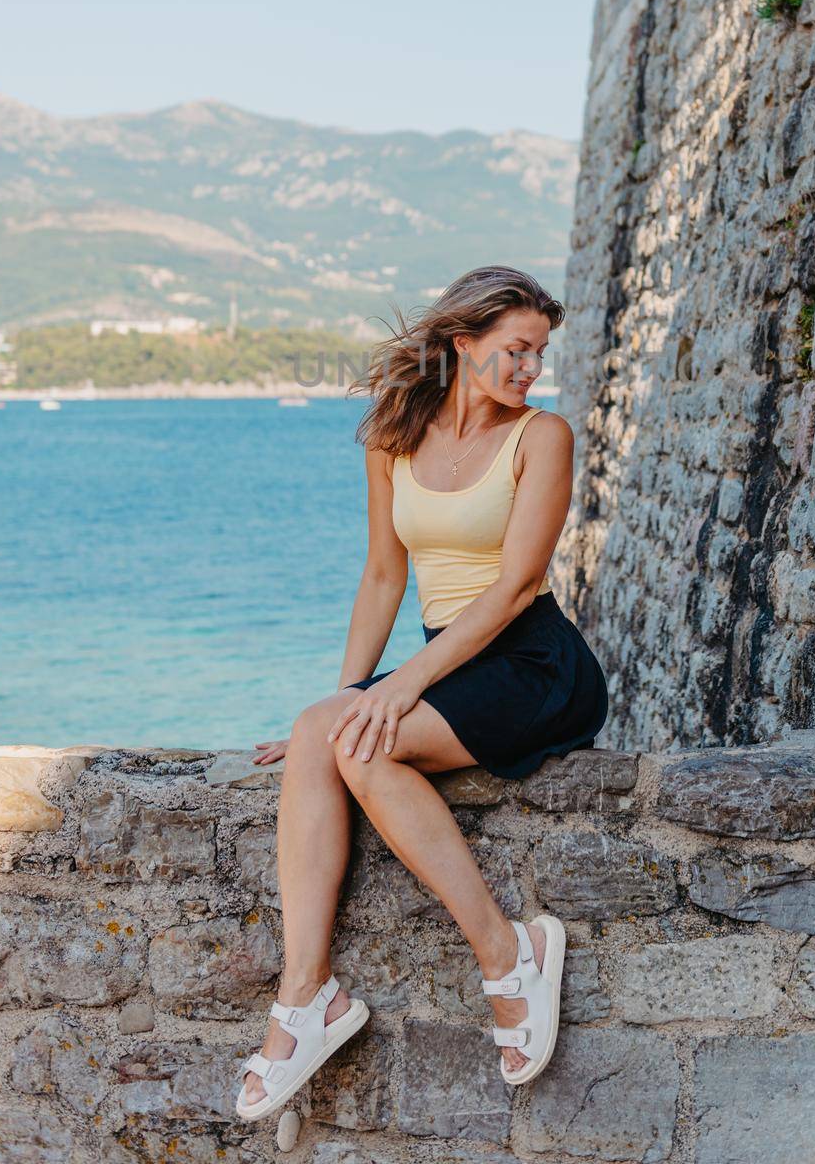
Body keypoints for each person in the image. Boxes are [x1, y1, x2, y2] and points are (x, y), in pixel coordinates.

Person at [236, 266, 609, 1121]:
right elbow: (381, 576)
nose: (530, 369)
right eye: (516, 350)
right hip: (453, 662)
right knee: (322, 730)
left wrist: (394, 691)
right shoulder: (392, 439)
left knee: (359, 738)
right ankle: (307, 997)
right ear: (460, 345)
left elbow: (515, 588)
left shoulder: (541, 437)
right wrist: (346, 698)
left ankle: (507, 954)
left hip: (535, 663)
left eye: (539, 353)